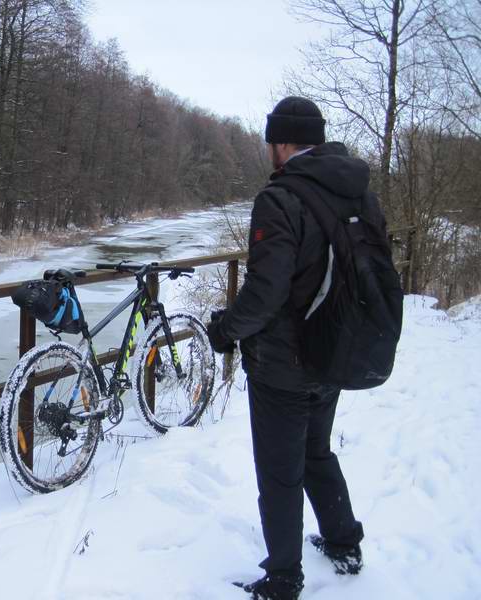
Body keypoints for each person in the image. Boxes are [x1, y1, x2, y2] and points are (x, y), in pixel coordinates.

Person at [207, 96, 373, 600]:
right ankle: (344, 542)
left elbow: (265, 291)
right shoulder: (358, 194)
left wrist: (225, 329)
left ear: (281, 143)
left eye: (270, 142)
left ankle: (282, 579)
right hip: (336, 348)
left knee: (280, 470)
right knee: (316, 450)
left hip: (284, 362)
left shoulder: (279, 199)